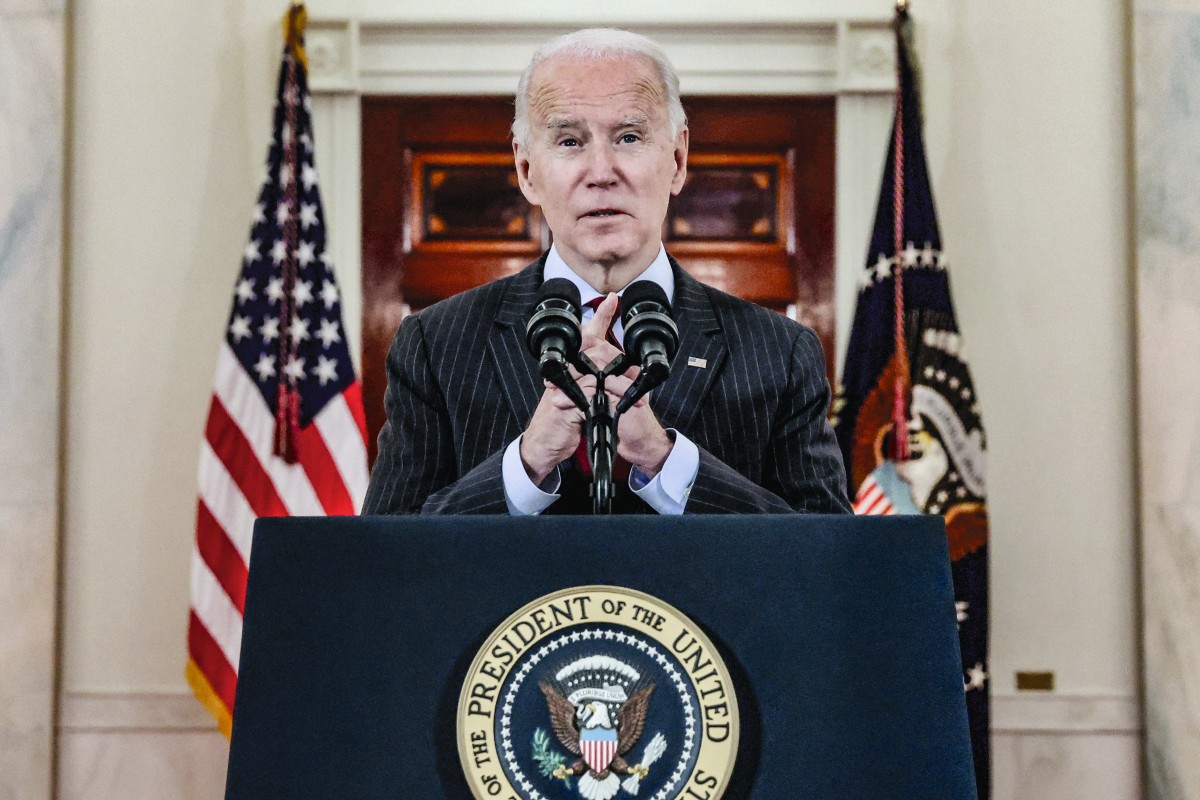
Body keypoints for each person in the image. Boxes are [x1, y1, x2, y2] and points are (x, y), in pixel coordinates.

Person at [362, 28, 850, 516]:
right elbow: (388, 552)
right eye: (569, 141)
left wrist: (665, 460)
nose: (601, 172)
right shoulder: (436, 345)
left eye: (629, 137)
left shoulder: (781, 352)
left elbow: (827, 552)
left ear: (677, 159)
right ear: (527, 170)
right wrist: (527, 463)